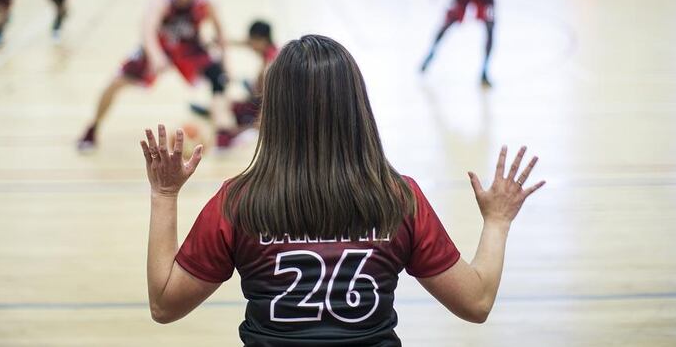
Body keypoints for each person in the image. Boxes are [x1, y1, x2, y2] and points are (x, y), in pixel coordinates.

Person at [140, 35, 544, 345]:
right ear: (357, 106)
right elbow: (476, 303)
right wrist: (497, 221)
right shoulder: (399, 200)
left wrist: (164, 195)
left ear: (275, 112)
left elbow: (164, 304)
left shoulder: (238, 203)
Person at [77, 0, 230, 151]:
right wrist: (156, 56)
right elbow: (148, 29)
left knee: (219, 77)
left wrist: (227, 61)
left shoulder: (204, 0)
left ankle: (224, 133)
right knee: (116, 82)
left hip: (188, 48)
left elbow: (220, 31)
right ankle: (92, 128)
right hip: (160, 47)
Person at [191, 20, 278, 132]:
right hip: (258, 93)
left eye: (252, 41)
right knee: (229, 103)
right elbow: (244, 42)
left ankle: (213, 111)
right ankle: (214, 110)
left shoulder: (268, 67)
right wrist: (217, 41)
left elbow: (268, 103)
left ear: (261, 40)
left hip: (264, 102)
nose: (250, 45)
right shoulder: (270, 46)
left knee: (228, 113)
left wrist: (240, 129)